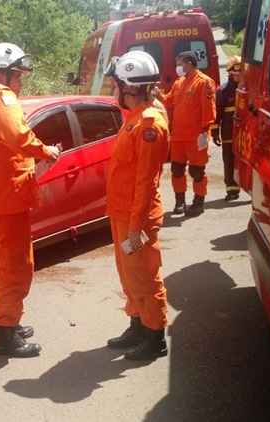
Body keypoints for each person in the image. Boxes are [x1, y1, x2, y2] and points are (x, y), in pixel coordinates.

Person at [0, 43, 60, 358]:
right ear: (3, 74)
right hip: (8, 201)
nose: (20, 83)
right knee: (14, 267)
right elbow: (19, 136)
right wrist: (47, 152)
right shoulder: (2, 99)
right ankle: (6, 334)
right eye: (17, 76)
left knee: (4, 263)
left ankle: (10, 323)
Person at [103, 51, 170, 361]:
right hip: (121, 213)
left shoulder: (149, 124)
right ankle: (138, 324)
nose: (113, 91)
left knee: (145, 275)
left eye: (116, 85)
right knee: (129, 276)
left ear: (129, 87)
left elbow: (146, 181)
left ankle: (154, 336)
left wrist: (134, 226)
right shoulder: (133, 119)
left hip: (137, 217)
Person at [158, 51, 216, 216]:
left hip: (196, 136)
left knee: (197, 171)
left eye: (180, 63)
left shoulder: (204, 82)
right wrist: (158, 95)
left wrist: (205, 133)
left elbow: (209, 109)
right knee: (177, 170)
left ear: (189, 63)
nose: (178, 67)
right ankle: (180, 202)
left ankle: (198, 202)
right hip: (178, 137)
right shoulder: (179, 83)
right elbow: (168, 101)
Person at [212, 55, 242, 201]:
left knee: (246, 161)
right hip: (228, 132)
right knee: (229, 160)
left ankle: (250, 188)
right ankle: (232, 189)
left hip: (244, 132)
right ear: (230, 73)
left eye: (240, 72)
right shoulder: (222, 91)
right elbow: (217, 113)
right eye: (235, 73)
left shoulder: (247, 88)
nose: (238, 75)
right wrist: (214, 131)